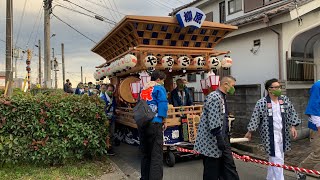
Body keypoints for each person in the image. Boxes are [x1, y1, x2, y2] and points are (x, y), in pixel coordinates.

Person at [244, 78, 301, 180]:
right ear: (269, 89)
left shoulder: (284, 100)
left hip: (282, 133)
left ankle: (270, 178)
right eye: (276, 87)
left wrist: (293, 126)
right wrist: (250, 131)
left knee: (278, 157)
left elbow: (292, 112)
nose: (279, 89)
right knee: (277, 157)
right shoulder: (261, 103)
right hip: (269, 134)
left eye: (279, 87)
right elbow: (255, 118)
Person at [194, 75, 239, 180]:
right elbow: (213, 121)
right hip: (212, 140)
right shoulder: (215, 97)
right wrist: (219, 139)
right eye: (233, 86)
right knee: (212, 170)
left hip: (222, 138)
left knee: (226, 167)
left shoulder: (222, 97)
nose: (234, 88)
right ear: (225, 84)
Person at [139, 70, 168, 180]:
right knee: (156, 154)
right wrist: (164, 120)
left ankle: (144, 177)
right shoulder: (159, 88)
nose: (163, 83)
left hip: (142, 123)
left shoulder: (143, 89)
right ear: (158, 79)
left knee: (145, 153)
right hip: (155, 123)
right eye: (163, 80)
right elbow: (163, 104)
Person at [297, 80, 320, 179]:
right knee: (318, 153)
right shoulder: (318, 85)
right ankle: (301, 169)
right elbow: (314, 107)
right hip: (317, 126)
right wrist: (319, 127)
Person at [100, 84, 117, 156]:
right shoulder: (102, 98)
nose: (111, 92)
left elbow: (115, 107)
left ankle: (110, 148)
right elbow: (101, 110)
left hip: (112, 118)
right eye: (109, 90)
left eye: (112, 91)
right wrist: (105, 118)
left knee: (112, 133)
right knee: (106, 134)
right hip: (105, 118)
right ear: (106, 90)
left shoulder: (113, 98)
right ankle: (105, 149)